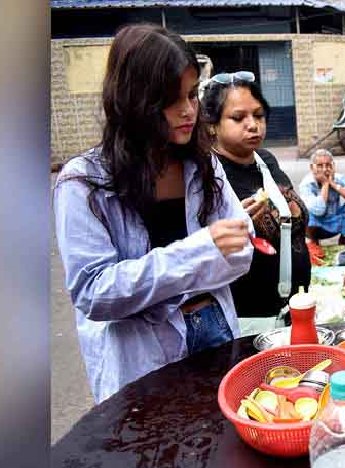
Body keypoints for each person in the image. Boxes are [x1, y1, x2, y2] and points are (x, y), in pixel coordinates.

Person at [53, 24, 253, 403]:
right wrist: (199, 252)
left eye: (193, 94)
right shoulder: (84, 182)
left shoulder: (203, 163)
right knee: (152, 453)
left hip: (214, 330)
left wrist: (204, 257)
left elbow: (240, 254)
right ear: (134, 100)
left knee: (222, 450)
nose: (188, 110)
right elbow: (94, 292)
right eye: (170, 99)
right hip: (140, 355)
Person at [201, 71, 311, 318]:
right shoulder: (207, 174)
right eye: (238, 118)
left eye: (259, 115)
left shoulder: (266, 161)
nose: (253, 125)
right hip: (248, 318)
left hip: (293, 309)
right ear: (212, 125)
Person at [299, 149, 345, 260]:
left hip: (334, 222)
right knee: (307, 213)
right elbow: (318, 210)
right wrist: (325, 184)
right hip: (318, 225)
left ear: (333, 166)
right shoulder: (307, 184)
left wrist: (333, 184)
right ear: (311, 168)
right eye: (319, 166)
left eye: (328, 165)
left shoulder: (339, 178)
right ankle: (313, 242)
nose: (324, 169)